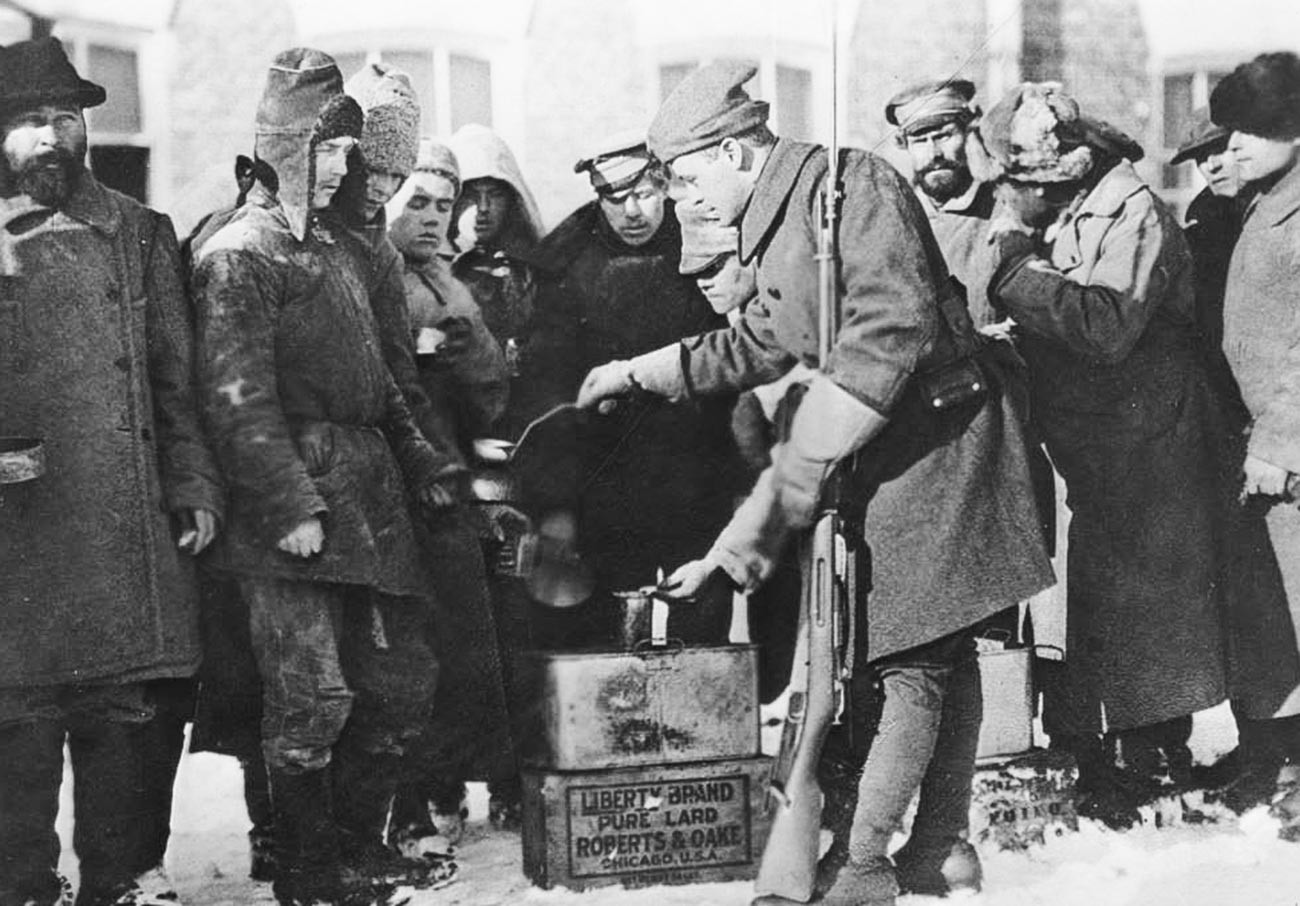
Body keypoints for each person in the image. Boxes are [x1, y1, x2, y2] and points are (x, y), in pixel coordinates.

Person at [576, 62, 1053, 906]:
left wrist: (806, 459)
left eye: (688, 179)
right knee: (938, 655)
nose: (685, 200)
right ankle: (941, 850)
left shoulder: (848, 187)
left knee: (910, 657)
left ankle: (863, 868)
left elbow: (890, 329)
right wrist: (642, 371)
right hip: (899, 443)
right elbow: (762, 338)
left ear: (737, 151)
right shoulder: (785, 217)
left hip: (943, 440)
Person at [190, 48, 454, 905]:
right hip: (292, 507)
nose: (346, 166)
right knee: (310, 698)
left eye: (352, 148)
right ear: (286, 147)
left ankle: (351, 848)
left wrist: (424, 466)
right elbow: (235, 397)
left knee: (396, 684)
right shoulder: (241, 253)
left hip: (366, 495)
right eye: (331, 148)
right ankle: (306, 870)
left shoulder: (342, 252)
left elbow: (387, 383)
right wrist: (287, 503)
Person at [0, 37, 223, 906]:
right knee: (14, 725)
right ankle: (21, 884)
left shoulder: (139, 233)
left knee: (130, 713)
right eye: (25, 122)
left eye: (63, 117)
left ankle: (123, 879)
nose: (49, 137)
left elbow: (179, 381)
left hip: (122, 517)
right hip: (14, 533)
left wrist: (196, 485)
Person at [978, 82, 1230, 826]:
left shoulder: (1135, 216)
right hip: (1097, 443)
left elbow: (1103, 326)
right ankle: (1109, 753)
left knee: (1149, 609)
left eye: (1035, 185)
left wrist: (1016, 269)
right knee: (1103, 606)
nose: (1029, 199)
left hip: (1147, 444)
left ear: (1072, 169)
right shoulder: (1085, 209)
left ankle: (1153, 760)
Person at [525, 130, 742, 650]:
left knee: (701, 609)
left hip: (697, 462)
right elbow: (549, 378)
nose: (632, 213)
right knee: (615, 621)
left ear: (664, 182)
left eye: (644, 193)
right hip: (610, 472)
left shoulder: (704, 234)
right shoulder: (567, 258)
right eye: (614, 199)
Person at [381, 138, 519, 851]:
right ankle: (408, 800)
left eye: (444, 204)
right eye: (418, 203)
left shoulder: (448, 281)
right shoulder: (373, 271)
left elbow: (488, 392)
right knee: (402, 654)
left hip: (448, 489)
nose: (434, 218)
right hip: (391, 490)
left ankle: (450, 783)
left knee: (463, 645)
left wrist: (472, 355)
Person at [1210, 50, 1300, 837]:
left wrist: (1278, 438)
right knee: (1275, 614)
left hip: (1291, 449)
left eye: (1252, 130)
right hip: (1266, 445)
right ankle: (1275, 759)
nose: (1232, 146)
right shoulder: (1269, 197)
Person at [447, 123, 544, 432]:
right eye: (471, 196)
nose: (483, 209)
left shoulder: (533, 271)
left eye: (495, 195)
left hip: (525, 416)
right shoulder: (434, 274)